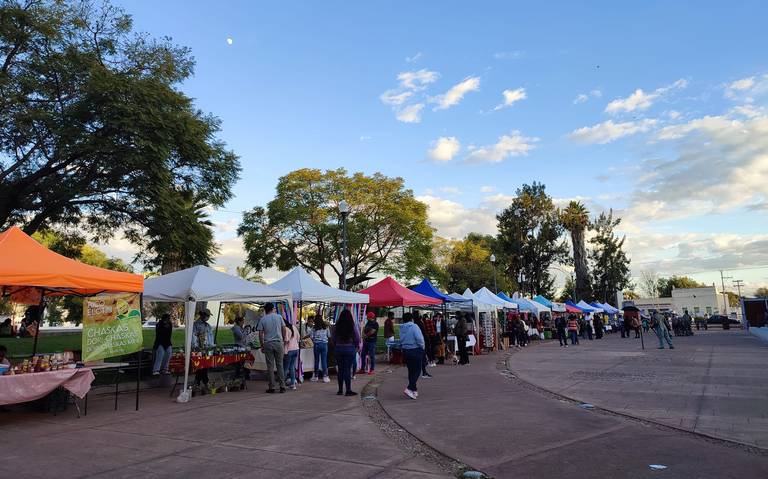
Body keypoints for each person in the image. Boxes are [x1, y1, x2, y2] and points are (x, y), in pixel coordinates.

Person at [257, 303, 287, 394]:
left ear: (265, 310)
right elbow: (284, 328)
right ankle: (282, 386)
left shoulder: (263, 319)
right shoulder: (279, 317)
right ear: (273, 308)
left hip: (268, 343)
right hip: (278, 343)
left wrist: (262, 345)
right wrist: (283, 339)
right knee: (280, 365)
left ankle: (272, 387)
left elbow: (260, 333)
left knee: (270, 366)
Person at [332, 309, 360, 396]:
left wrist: (337, 345)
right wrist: (355, 346)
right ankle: (348, 390)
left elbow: (333, 338)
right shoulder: (352, 326)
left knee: (340, 370)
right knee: (347, 369)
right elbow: (357, 338)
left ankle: (340, 390)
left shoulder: (337, 326)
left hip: (338, 349)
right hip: (349, 349)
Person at [400, 312, 425, 399]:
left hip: (405, 350)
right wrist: (422, 346)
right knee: (417, 370)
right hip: (415, 349)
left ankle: (414, 390)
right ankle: (409, 387)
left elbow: (401, 339)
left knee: (411, 371)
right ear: (412, 319)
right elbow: (419, 338)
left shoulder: (401, 327)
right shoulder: (414, 326)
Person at [192, 309, 214, 390]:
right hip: (199, 349)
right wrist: (195, 346)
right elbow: (193, 336)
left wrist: (212, 346)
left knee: (205, 366)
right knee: (201, 366)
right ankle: (205, 382)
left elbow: (211, 337)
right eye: (207, 316)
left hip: (208, 349)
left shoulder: (208, 325)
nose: (208, 317)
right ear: (203, 315)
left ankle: (198, 382)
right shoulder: (196, 324)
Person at [283, 318, 300, 390]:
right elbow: (298, 337)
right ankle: (293, 384)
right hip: (296, 349)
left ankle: (282, 384)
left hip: (289, 350)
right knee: (292, 367)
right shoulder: (293, 327)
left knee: (285, 368)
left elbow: (286, 341)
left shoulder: (286, 329)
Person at [311, 316, 330, 382]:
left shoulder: (314, 328)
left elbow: (311, 337)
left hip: (317, 345)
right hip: (324, 345)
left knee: (316, 361)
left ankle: (316, 376)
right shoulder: (326, 327)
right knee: (324, 361)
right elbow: (329, 335)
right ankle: (325, 376)